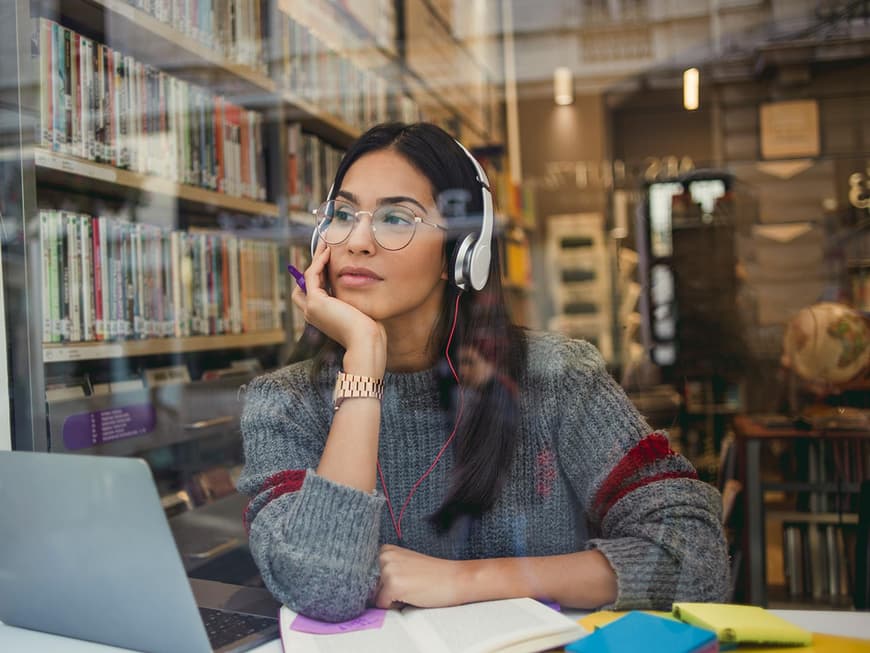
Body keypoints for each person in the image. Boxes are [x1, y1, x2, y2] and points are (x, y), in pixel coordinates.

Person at [237, 122, 729, 623]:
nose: (357, 240)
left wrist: (464, 580)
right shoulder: (283, 404)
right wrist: (363, 356)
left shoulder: (556, 378)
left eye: (396, 218)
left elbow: (696, 557)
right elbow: (322, 589)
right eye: (343, 214)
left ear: (462, 249)